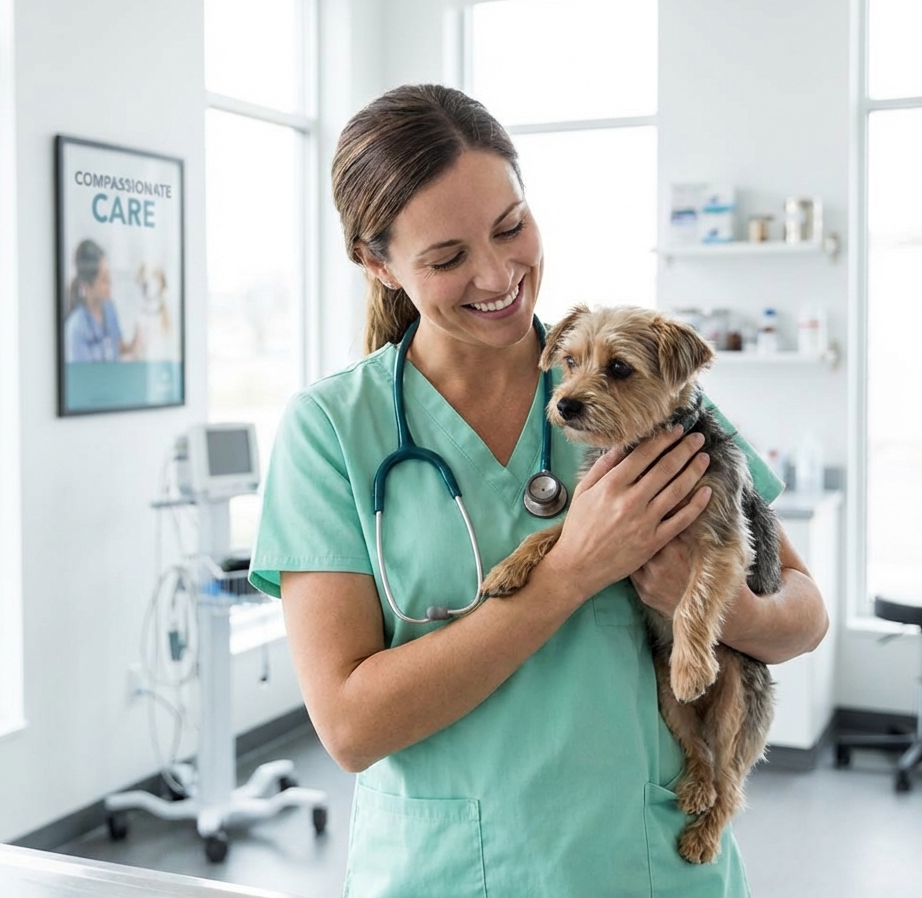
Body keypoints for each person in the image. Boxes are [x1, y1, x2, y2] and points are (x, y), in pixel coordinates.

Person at [248, 85, 828, 898]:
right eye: (447, 258)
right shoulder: (333, 428)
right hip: (451, 874)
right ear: (376, 263)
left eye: (511, 226)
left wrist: (727, 612)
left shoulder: (642, 383)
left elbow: (804, 613)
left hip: (654, 865)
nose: (496, 275)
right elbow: (349, 725)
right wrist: (571, 572)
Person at [64, 239, 142, 362]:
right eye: (104, 279)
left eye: (109, 276)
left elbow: (119, 349)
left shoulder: (109, 308)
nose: (110, 283)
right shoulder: (76, 328)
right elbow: (82, 377)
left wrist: (136, 344)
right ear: (86, 286)